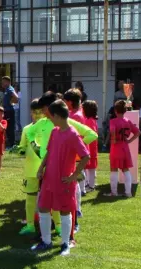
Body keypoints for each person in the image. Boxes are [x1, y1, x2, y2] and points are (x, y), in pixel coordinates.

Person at [32, 100, 90, 256]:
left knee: (65, 211)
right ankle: (46, 242)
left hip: (63, 180)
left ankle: (65, 244)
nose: (49, 118)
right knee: (43, 207)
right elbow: (50, 152)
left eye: (51, 116)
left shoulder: (72, 134)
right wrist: (41, 168)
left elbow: (86, 156)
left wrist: (74, 175)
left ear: (57, 116)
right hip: (49, 178)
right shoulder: (55, 132)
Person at [11, 99, 44, 235]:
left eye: (39, 112)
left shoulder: (50, 128)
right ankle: (30, 224)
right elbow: (23, 148)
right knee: (30, 196)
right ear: (30, 113)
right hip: (31, 169)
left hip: (47, 169)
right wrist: (18, 150)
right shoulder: (27, 129)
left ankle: (54, 224)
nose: (36, 115)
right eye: (34, 112)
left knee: (48, 197)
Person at [106, 100, 140, 198]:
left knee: (114, 169)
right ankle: (128, 193)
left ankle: (114, 192)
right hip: (125, 147)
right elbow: (138, 132)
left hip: (116, 148)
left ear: (115, 111)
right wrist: (129, 141)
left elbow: (112, 130)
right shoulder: (127, 121)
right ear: (125, 111)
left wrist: (113, 140)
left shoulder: (113, 121)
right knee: (126, 170)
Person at [82, 100, 99, 191]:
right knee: (89, 166)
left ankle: (91, 185)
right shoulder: (91, 120)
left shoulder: (89, 121)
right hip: (91, 147)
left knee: (90, 167)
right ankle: (89, 183)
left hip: (90, 147)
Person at [1, 76, 19, 148]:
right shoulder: (6, 89)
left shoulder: (9, 89)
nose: (2, 83)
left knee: (10, 128)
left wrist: (12, 102)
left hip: (9, 111)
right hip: (6, 111)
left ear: (8, 82)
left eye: (4, 82)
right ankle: (10, 144)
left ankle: (12, 145)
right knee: (7, 128)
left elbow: (16, 98)